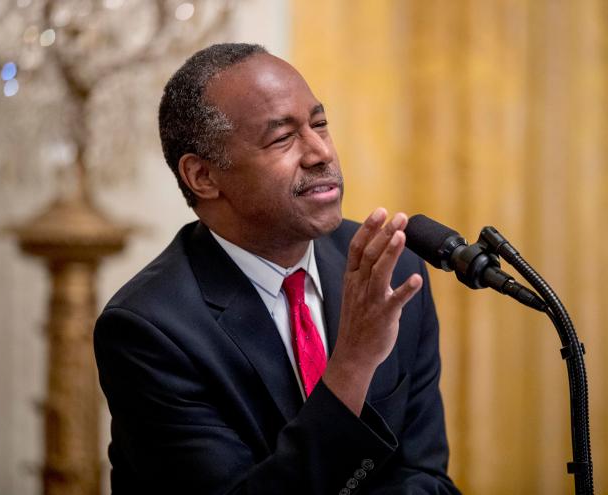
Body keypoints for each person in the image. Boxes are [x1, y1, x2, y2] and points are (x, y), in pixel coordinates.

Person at [94, 43, 460, 494]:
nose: (320, 152)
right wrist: (354, 362)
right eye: (282, 138)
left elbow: (424, 477)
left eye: (320, 124)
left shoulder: (392, 270)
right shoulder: (148, 329)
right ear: (203, 177)